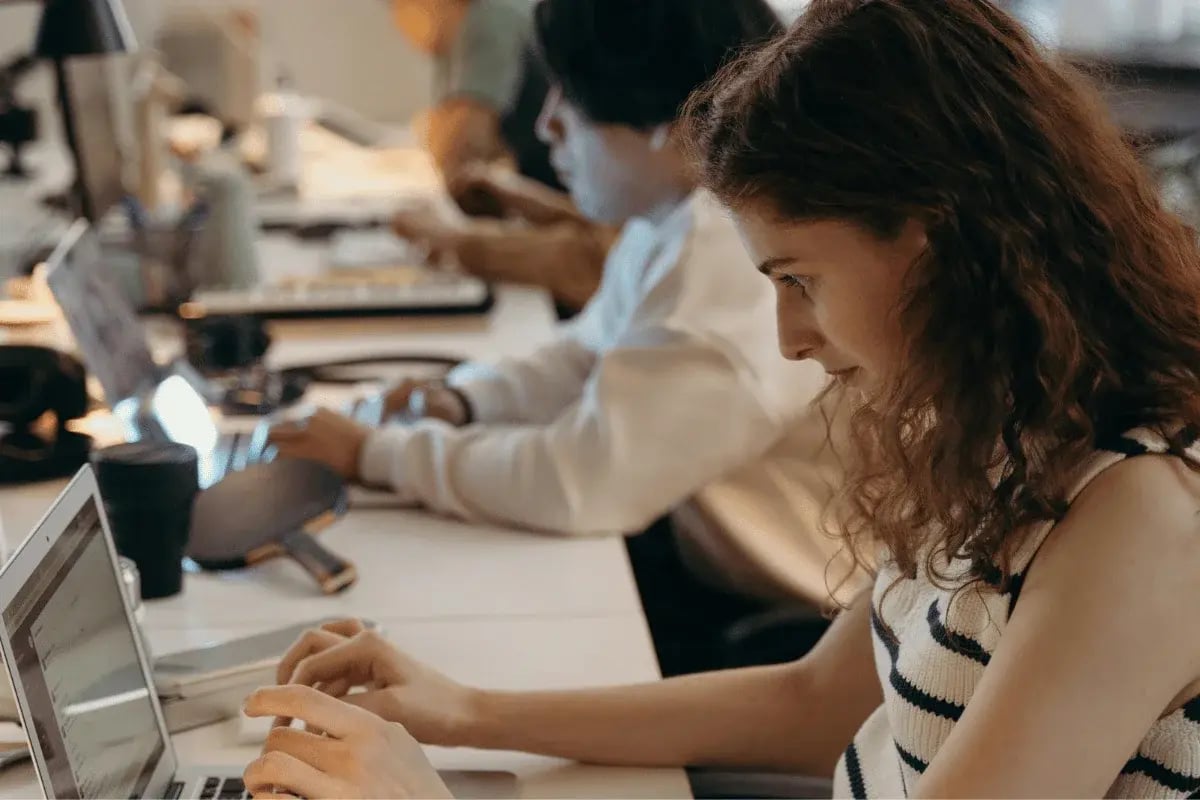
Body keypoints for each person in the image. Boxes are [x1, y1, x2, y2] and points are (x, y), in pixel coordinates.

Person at [245, 0, 1200, 797]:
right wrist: (466, 712)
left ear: (934, 241)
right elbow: (813, 703)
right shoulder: (999, 429)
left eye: (799, 280)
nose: (787, 335)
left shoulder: (1138, 519)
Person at [270, 0, 860, 678]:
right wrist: (464, 404)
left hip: (792, 626)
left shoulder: (726, 268)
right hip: (705, 561)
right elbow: (588, 351)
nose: (547, 124)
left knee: (473, 644)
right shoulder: (677, 220)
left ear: (680, 129)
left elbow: (579, 481)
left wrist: (379, 454)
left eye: (574, 101)